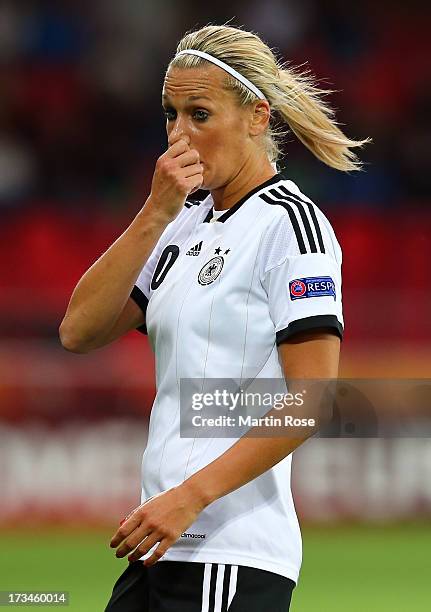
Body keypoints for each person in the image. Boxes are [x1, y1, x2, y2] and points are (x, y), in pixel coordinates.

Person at [59, 24, 369, 612]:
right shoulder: (182, 223)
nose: (179, 135)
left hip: (228, 550)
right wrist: (154, 212)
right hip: (161, 543)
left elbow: (311, 399)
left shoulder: (290, 226)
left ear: (256, 116)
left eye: (199, 113)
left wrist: (190, 496)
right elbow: (78, 331)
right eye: (171, 114)